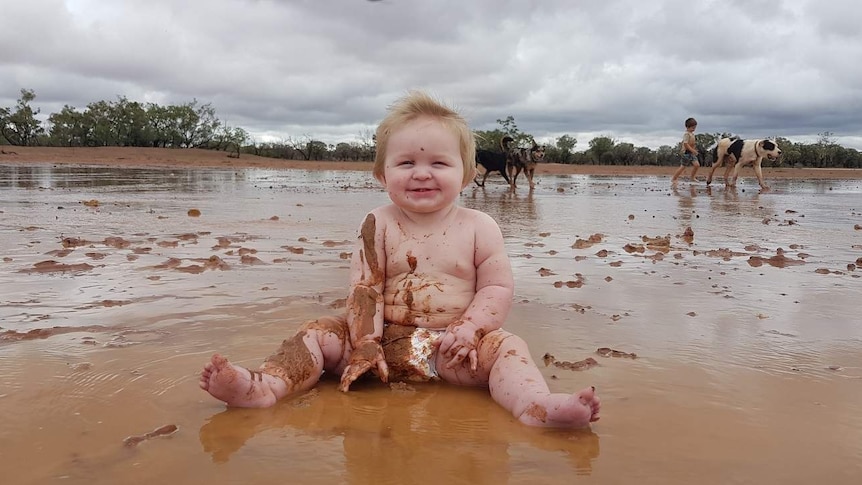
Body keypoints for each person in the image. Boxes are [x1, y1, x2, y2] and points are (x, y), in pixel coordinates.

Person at [199, 91, 601, 428]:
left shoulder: (480, 226)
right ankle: (265, 385)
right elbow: (365, 288)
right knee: (318, 331)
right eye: (406, 162)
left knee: (508, 347)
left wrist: (471, 328)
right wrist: (366, 343)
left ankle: (534, 406)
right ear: (381, 174)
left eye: (439, 163)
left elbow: (496, 287)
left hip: (452, 352)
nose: (421, 173)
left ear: (465, 174)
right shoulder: (378, 222)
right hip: (375, 346)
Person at [671, 117, 700, 185]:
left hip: (691, 153)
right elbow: (686, 144)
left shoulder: (692, 134)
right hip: (686, 153)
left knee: (697, 165)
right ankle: (674, 178)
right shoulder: (686, 134)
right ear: (687, 127)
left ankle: (692, 177)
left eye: (695, 127)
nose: (694, 129)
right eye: (692, 127)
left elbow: (692, 144)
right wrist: (693, 150)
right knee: (683, 166)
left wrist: (694, 150)